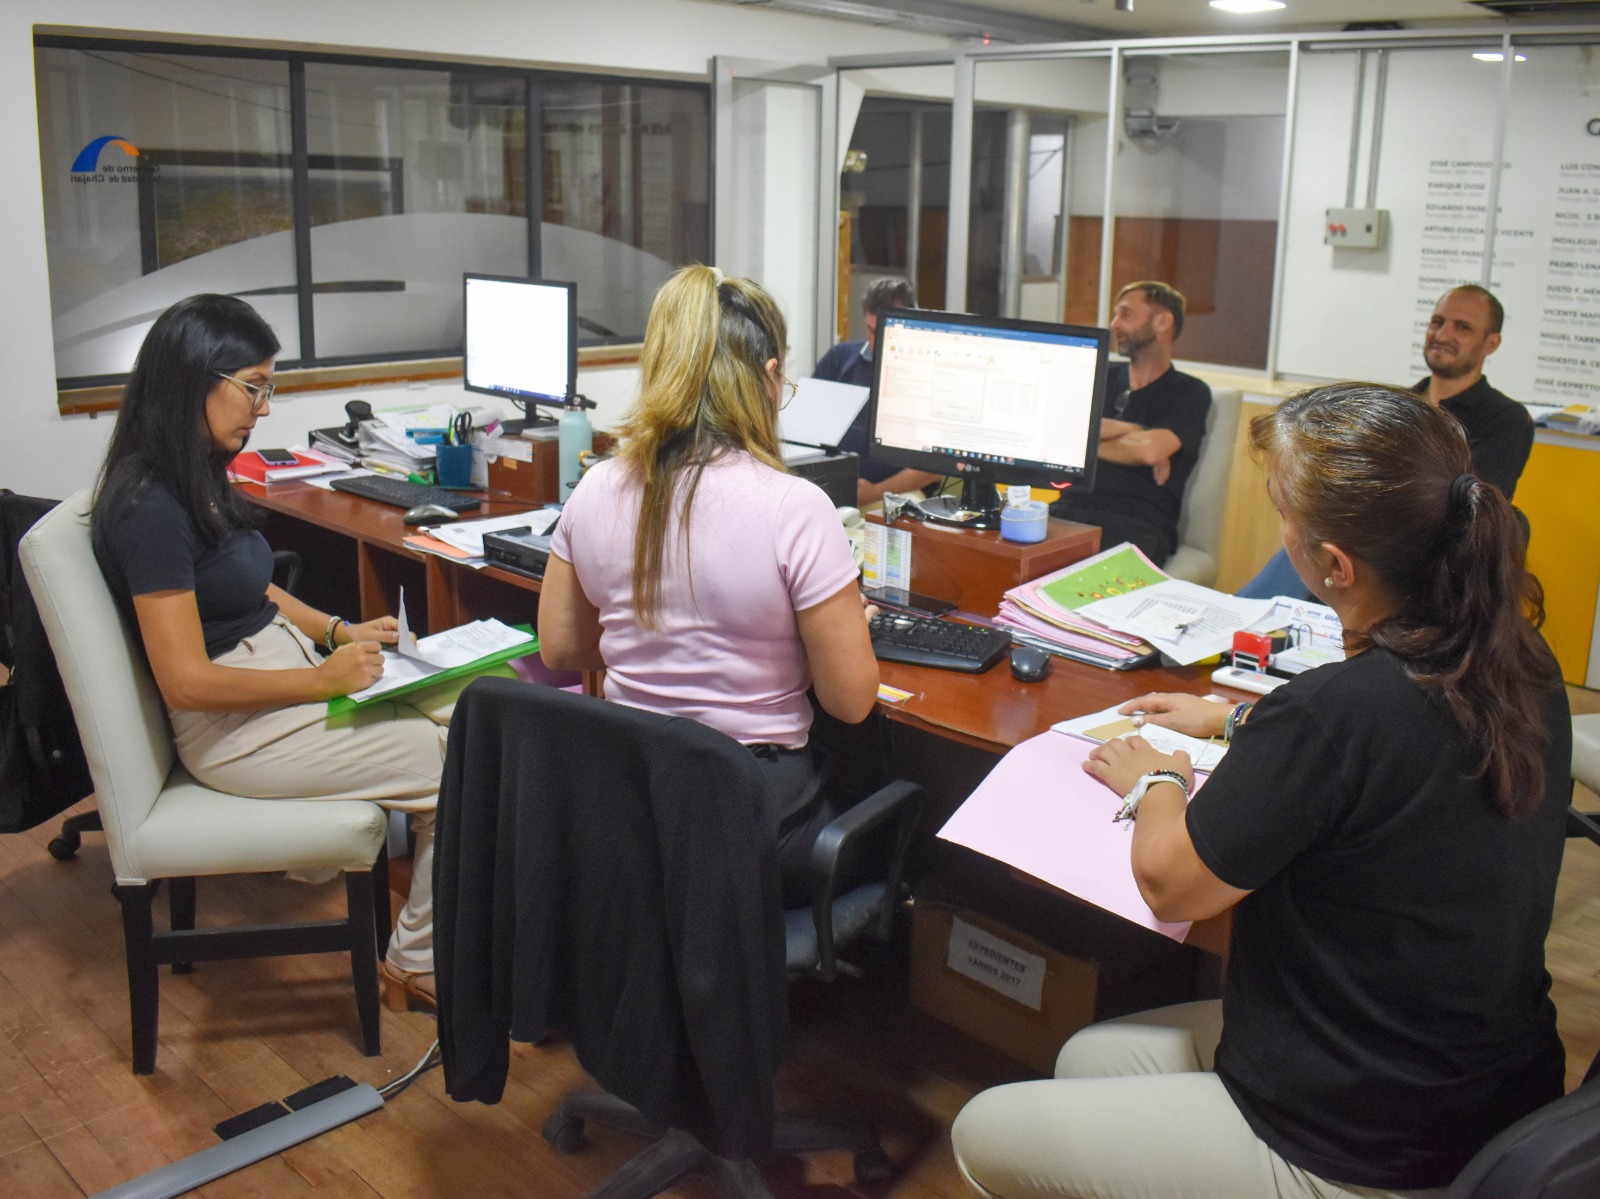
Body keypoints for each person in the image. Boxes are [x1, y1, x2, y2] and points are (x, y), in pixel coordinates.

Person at [951, 382, 1571, 1199]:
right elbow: (1388, 755)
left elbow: (1172, 883)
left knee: (981, 1130)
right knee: (1085, 1057)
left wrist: (1160, 779)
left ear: (1333, 566)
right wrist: (1234, 718)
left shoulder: (1332, 712)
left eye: (1283, 512)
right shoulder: (1517, 662)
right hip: (1481, 1090)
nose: (1280, 529)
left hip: (1359, 1141)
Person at [91, 293, 478, 1014]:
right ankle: (417, 963)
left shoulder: (195, 467)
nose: (263, 409)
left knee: (474, 703)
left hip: (280, 672)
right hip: (234, 723)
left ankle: (477, 924)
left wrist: (337, 631)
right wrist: (320, 680)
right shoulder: (148, 506)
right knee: (461, 764)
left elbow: (252, 584)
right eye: (254, 388)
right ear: (194, 377)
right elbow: (185, 682)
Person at [538, 265, 880, 902]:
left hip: (631, 805)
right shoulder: (794, 506)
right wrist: (812, 641)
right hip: (751, 818)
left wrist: (658, 640)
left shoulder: (596, 486)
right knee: (910, 843)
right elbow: (851, 703)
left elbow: (561, 648)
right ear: (769, 377)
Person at [1239, 283, 1531, 599]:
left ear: (1491, 343)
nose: (1443, 334)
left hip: (1428, 564)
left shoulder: (1506, 419)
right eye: (1437, 322)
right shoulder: (1397, 406)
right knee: (1310, 528)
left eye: (1462, 327)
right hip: (1353, 543)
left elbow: (1464, 507)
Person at [1048, 281, 1211, 566]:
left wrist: (1087, 439)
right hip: (1068, 510)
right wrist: (1137, 430)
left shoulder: (1190, 391)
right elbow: (1058, 434)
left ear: (1162, 322)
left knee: (1078, 588)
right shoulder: (1100, 375)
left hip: (1137, 523)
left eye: (1125, 314)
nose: (1114, 324)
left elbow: (1149, 450)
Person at [812, 276, 940, 506]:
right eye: (871, 331)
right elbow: (804, 431)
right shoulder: (840, 359)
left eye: (887, 331)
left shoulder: (930, 374)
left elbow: (936, 467)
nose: (877, 341)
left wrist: (874, 492)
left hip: (897, 494)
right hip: (832, 487)